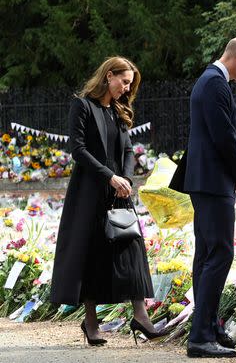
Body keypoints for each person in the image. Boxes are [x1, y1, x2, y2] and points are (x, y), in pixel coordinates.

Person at [50, 56, 163, 346]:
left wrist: (123, 179)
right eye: (124, 81)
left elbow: (127, 151)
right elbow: (78, 150)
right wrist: (109, 177)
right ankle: (91, 323)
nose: (127, 89)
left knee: (131, 247)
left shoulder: (118, 110)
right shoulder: (83, 105)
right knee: (93, 253)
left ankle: (140, 316)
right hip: (89, 191)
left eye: (129, 84)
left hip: (118, 191)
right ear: (109, 75)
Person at [184, 36, 236, 358]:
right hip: (214, 182)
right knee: (219, 254)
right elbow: (225, 135)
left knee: (206, 255)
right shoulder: (215, 83)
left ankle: (209, 327)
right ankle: (201, 336)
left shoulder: (208, 80)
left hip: (205, 181)